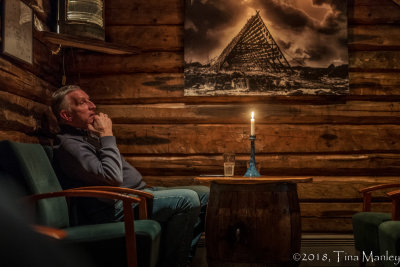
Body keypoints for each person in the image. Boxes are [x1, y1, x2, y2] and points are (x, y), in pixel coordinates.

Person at [51, 85, 209, 267]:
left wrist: (100, 137)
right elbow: (113, 177)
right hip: (115, 207)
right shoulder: (69, 146)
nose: (92, 105)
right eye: (82, 102)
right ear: (66, 116)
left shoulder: (86, 136)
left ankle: (180, 258)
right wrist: (107, 135)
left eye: (89, 100)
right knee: (187, 199)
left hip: (135, 194)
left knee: (205, 193)